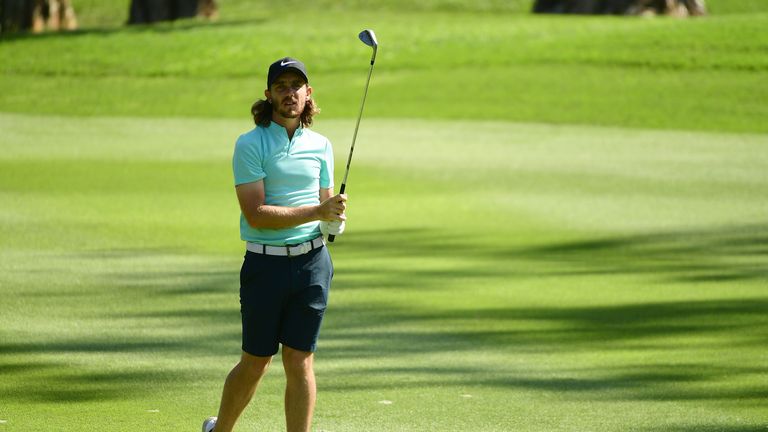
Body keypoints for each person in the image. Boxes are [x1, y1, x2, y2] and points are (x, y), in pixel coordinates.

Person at [202, 57, 346, 432]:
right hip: (265, 266)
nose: (289, 93)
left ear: (308, 93)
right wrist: (318, 211)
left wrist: (334, 218)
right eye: (281, 86)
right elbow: (257, 214)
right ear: (268, 95)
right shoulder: (250, 143)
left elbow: (326, 206)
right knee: (256, 361)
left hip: (312, 264)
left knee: (300, 360)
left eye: (296, 86)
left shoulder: (321, 145)